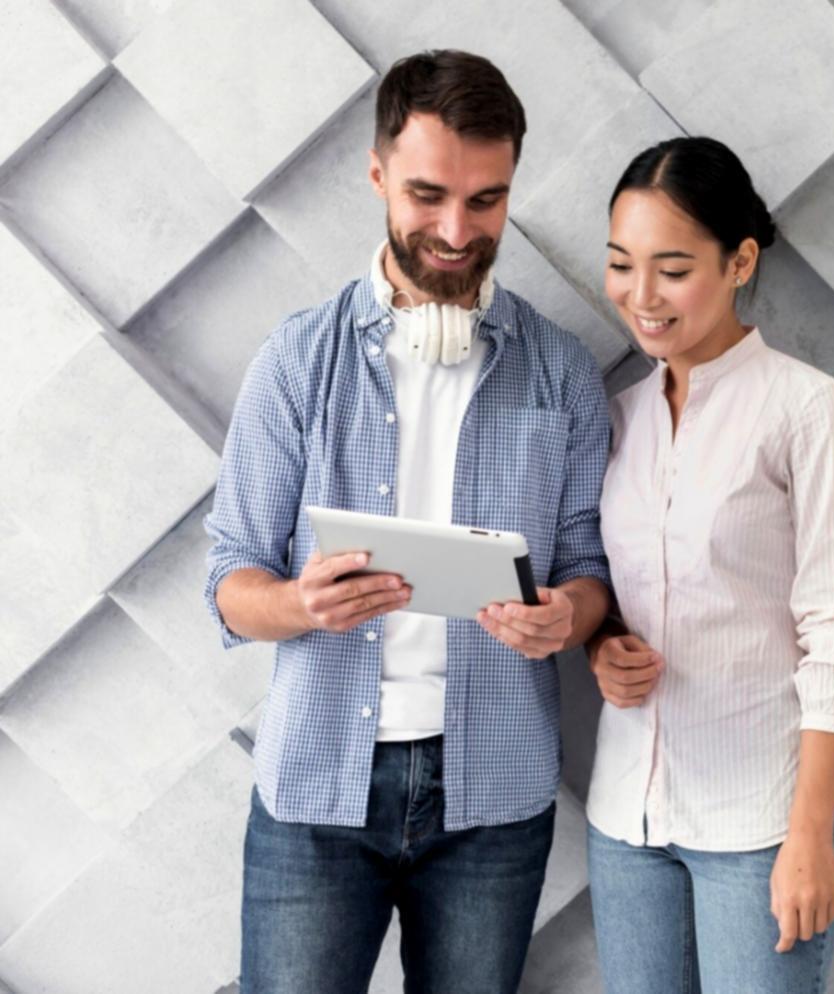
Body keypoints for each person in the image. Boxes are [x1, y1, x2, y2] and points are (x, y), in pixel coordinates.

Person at [203, 50, 612, 994]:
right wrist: (300, 603)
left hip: (494, 799)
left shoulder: (560, 373)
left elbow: (591, 568)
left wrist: (571, 615)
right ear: (378, 172)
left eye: (486, 200)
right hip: (315, 791)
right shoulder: (297, 362)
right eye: (428, 194)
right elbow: (230, 583)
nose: (457, 230)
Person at [584, 136, 834, 993]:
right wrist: (600, 644)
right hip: (627, 821)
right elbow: (617, 587)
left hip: (761, 824)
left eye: (672, 269)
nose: (640, 297)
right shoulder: (619, 416)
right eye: (619, 264)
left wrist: (808, 834)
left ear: (740, 260)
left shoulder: (809, 410)